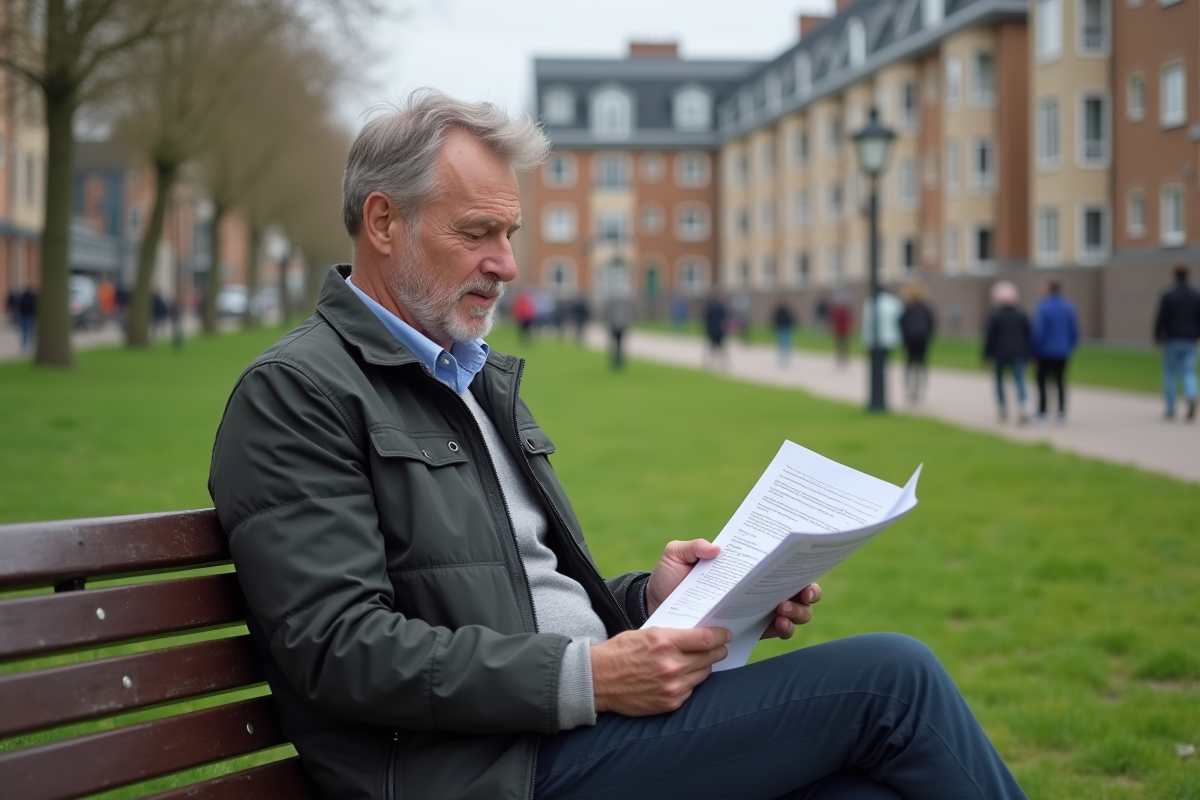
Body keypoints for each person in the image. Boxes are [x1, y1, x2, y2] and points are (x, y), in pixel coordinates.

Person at [208, 91, 1026, 800]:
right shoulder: (298, 393)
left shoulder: (469, 376)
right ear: (384, 221)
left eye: (513, 231)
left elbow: (511, 592)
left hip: (566, 735)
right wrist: (590, 677)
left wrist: (649, 605)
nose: (507, 264)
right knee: (895, 680)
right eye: (478, 232)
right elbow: (342, 648)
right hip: (482, 772)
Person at [1153, 264, 1200, 421]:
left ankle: (1171, 409)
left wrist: (1157, 336)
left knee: (1170, 374)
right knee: (1189, 371)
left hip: (1172, 338)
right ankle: (1191, 395)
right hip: (1191, 339)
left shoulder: (1168, 294)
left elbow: (1161, 318)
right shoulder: (1196, 295)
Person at [983, 281, 1032, 424]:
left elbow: (990, 338)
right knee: (1019, 380)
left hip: (1000, 354)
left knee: (999, 381)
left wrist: (986, 355)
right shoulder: (1021, 314)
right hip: (1018, 353)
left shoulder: (995, 316)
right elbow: (1028, 335)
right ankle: (1023, 406)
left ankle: (1003, 409)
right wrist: (1029, 354)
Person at [1031, 280, 1078, 424]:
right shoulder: (1068, 307)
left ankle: (1042, 413)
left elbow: (1039, 332)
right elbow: (1074, 331)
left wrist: (1034, 351)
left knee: (1042, 382)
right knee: (1060, 382)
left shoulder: (1044, 308)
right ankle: (1061, 412)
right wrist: (1068, 347)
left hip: (1045, 352)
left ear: (1049, 290)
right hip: (1062, 351)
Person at [898, 281, 936, 404]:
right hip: (922, 340)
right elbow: (932, 324)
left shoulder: (907, 308)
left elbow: (901, 324)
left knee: (909, 365)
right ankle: (919, 390)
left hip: (910, 340)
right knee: (921, 365)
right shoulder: (925, 308)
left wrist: (904, 339)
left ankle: (910, 390)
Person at [860, 287, 903, 364]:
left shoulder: (870, 301)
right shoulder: (892, 301)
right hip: (889, 337)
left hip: (874, 338)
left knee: (875, 361)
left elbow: (867, 320)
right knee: (885, 360)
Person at [603, 291, 635, 370]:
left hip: (614, 324)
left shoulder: (611, 301)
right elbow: (630, 312)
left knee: (613, 344)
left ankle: (615, 360)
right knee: (620, 344)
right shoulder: (626, 301)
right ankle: (619, 360)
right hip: (622, 324)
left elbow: (606, 311)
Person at [703, 291, 729, 369]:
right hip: (715, 330)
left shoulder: (713, 307)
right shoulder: (716, 308)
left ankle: (720, 363)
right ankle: (711, 363)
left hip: (717, 331)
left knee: (718, 348)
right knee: (713, 348)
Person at [829, 288, 852, 366]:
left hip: (843, 330)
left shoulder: (843, 309)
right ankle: (840, 358)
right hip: (838, 329)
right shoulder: (837, 309)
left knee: (844, 345)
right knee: (839, 345)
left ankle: (844, 358)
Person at [771, 301, 796, 367]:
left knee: (786, 343)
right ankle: (782, 358)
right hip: (782, 328)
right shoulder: (781, 311)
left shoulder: (787, 311)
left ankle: (785, 358)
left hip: (786, 328)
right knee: (783, 343)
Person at [17, 284, 36, 350]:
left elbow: (19, 305)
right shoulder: (33, 296)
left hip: (24, 314)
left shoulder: (23, 296)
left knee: (24, 330)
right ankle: (31, 344)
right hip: (31, 315)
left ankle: (24, 344)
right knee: (31, 330)